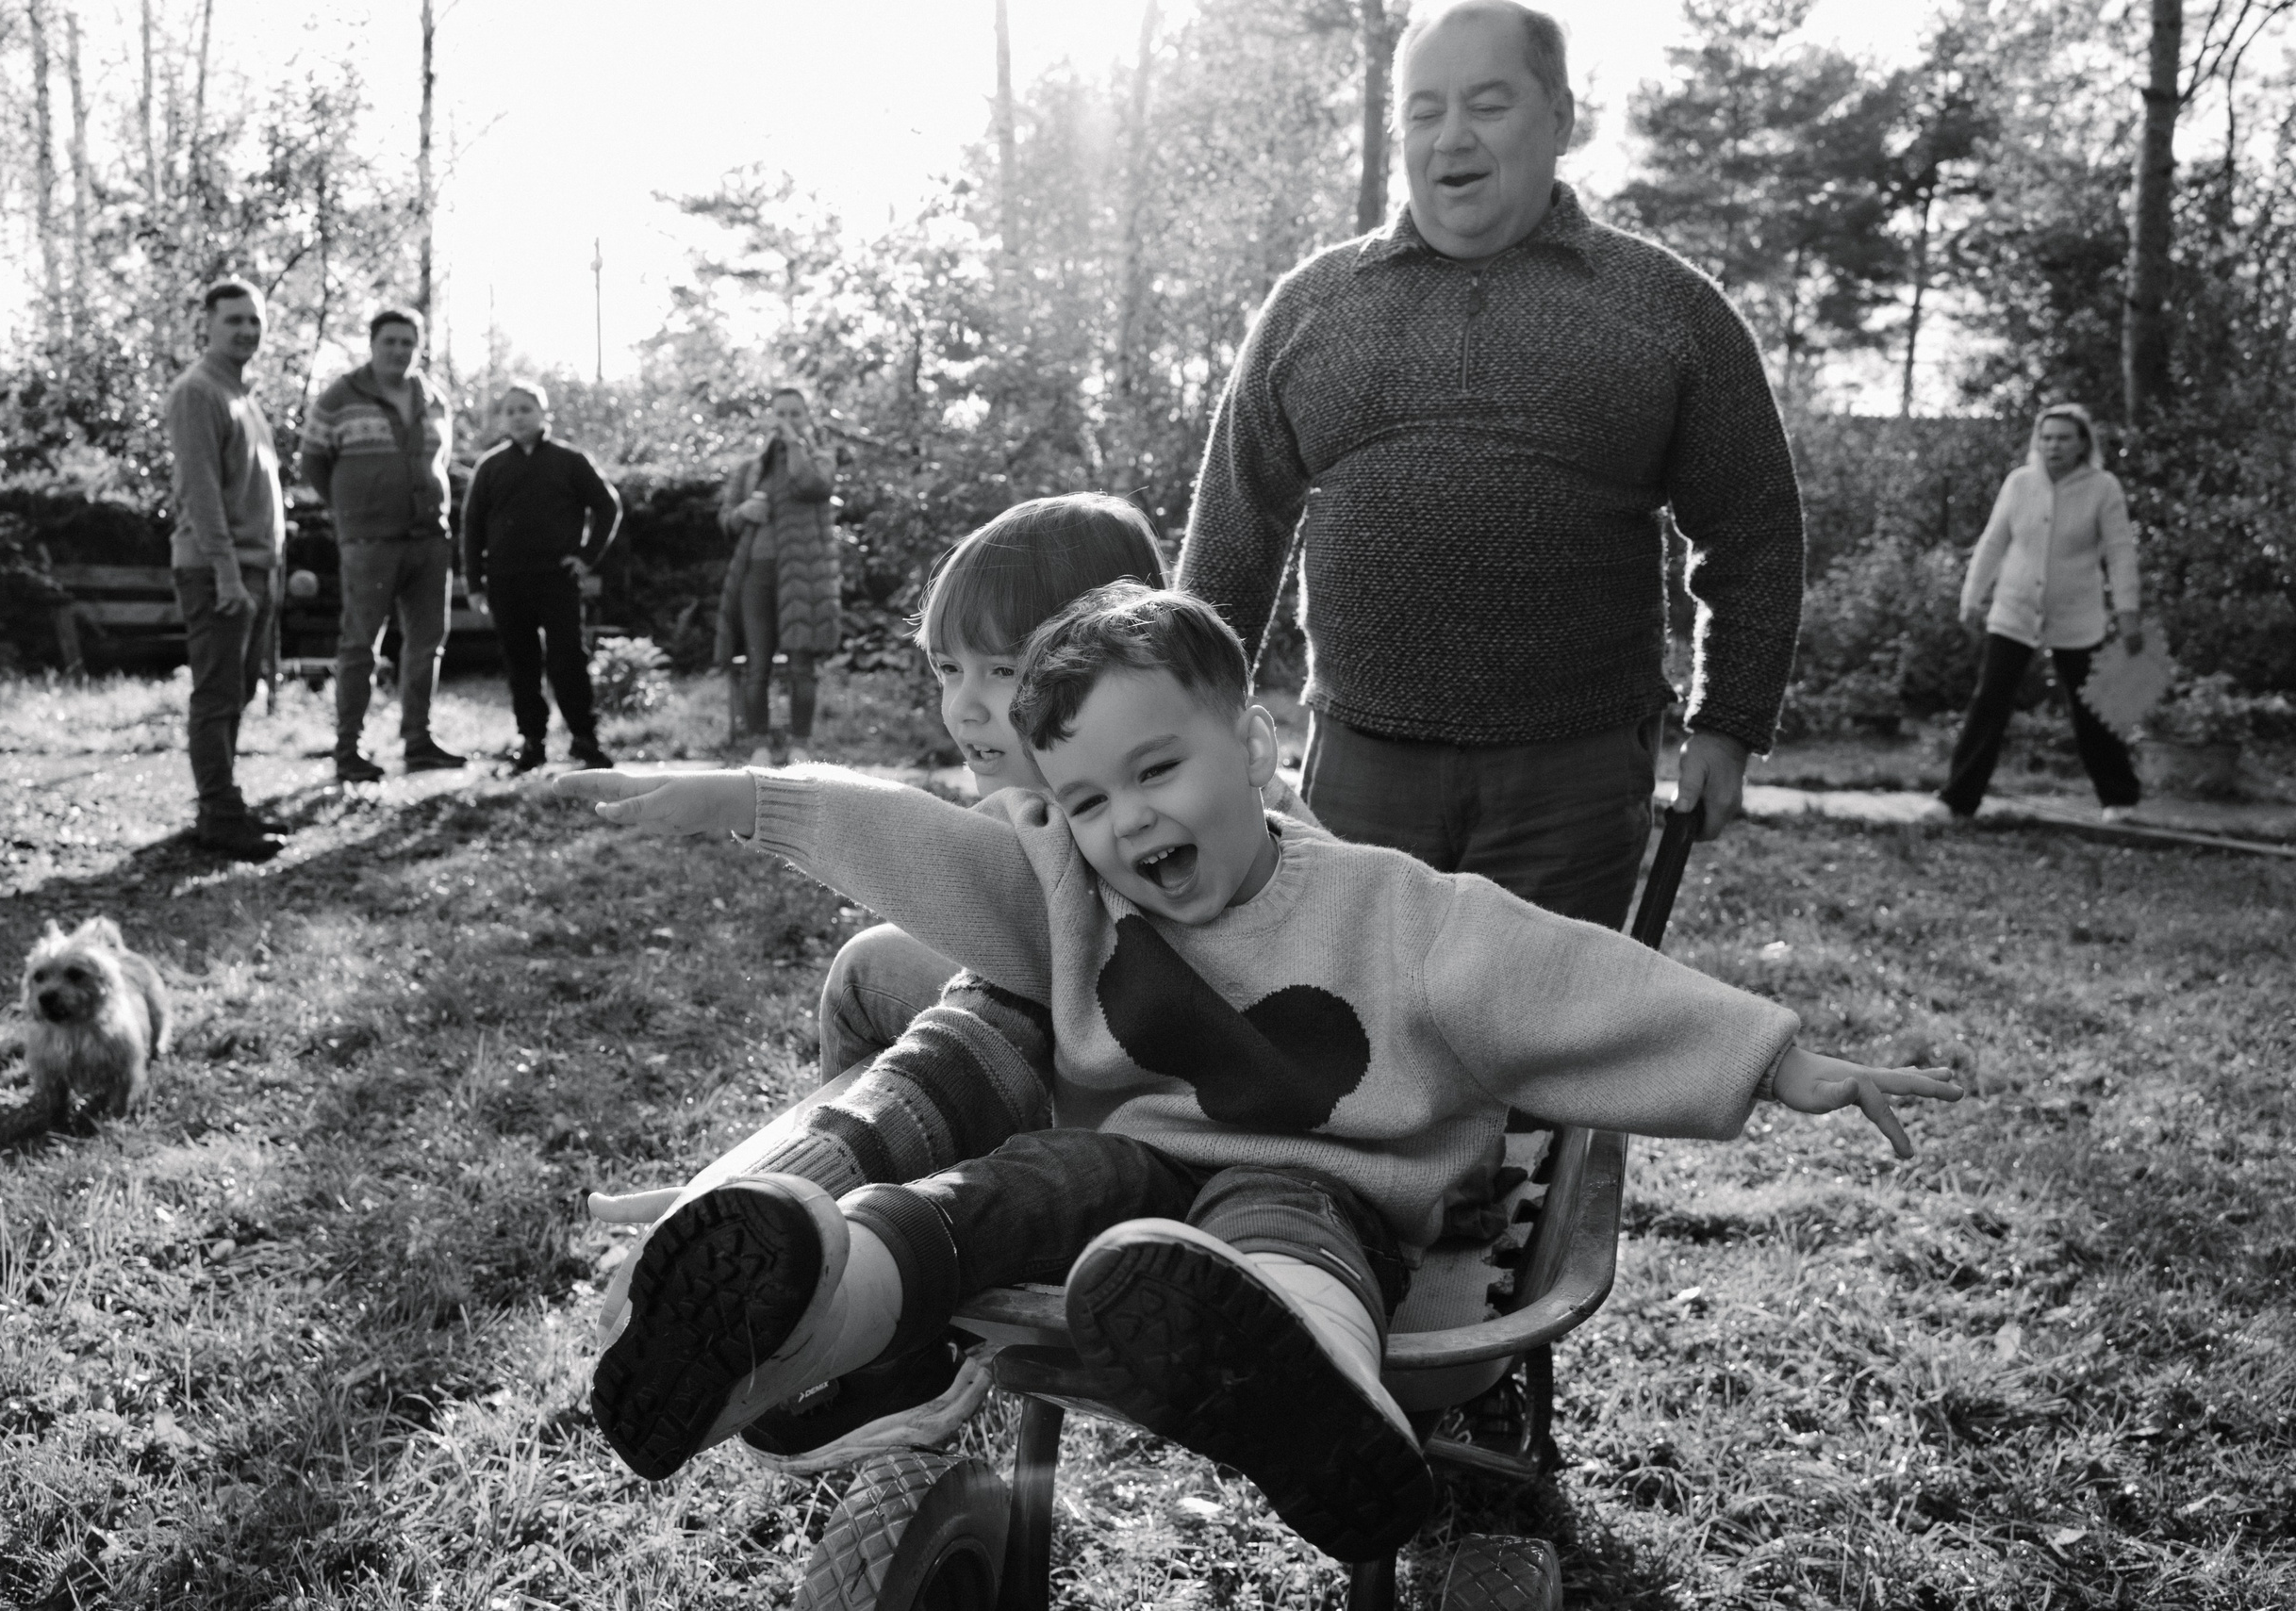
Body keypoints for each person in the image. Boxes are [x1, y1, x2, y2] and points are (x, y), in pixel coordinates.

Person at [559, 585, 1958, 1564]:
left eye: (1155, 768)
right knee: (1013, 1188)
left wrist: (1780, 1057)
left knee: (1289, 1249)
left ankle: (1311, 1399)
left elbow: (1572, 981)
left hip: (1324, 1185)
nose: (1127, 821)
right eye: (1089, 800)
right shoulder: (1088, 898)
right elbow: (943, 850)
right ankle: (814, 1303)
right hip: (1142, 1177)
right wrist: (756, 799)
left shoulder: (1396, 913)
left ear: (1256, 741)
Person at [1175, 0, 1805, 929]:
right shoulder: (1312, 305)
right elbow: (1237, 528)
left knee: (1537, 1048)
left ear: (1560, 116)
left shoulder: (1668, 309)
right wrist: (1189, 721)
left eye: (1487, 104)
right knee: (1357, 1032)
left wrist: (1729, 722)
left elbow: (1752, 532)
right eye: (1423, 110)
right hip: (1358, 765)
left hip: (1573, 779)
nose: (1451, 137)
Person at [815, 493, 1170, 1079]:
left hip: (1110, 1061)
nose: (962, 710)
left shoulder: (1088, 815)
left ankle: (862, 1154)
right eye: (948, 669)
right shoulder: (1162, 765)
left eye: (1003, 671)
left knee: (864, 969)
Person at [1930, 403, 2143, 824]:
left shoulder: (2103, 488)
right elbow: (1993, 542)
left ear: (2083, 443)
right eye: (2046, 438)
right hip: (2014, 610)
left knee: (2090, 708)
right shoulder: (2019, 483)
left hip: (2078, 616)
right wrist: (1971, 597)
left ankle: (2119, 799)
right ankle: (1956, 801)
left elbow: (2120, 553)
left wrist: (2128, 611)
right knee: (1989, 701)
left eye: (2064, 438)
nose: (2053, 446)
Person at [301, 305, 467, 781]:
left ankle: (419, 741)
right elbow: (313, 461)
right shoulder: (340, 396)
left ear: (418, 349)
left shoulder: (434, 399)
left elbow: (441, 461)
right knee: (359, 646)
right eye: (389, 341)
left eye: (407, 343)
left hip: (430, 539)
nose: (398, 351)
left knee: (426, 643)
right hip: (368, 542)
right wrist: (351, 509)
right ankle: (348, 748)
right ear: (372, 345)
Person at [166, 278, 289, 862]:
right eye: (234, 320)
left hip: (255, 570)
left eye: (254, 321)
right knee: (217, 694)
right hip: (220, 571)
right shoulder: (197, 391)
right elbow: (201, 492)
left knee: (239, 690)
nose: (246, 330)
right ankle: (220, 816)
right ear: (208, 326)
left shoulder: (244, 395)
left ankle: (222, 805)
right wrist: (227, 572)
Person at [462, 383, 622, 773]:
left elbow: (607, 506)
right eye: (510, 410)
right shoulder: (491, 466)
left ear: (543, 413)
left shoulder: (569, 460)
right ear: (503, 418)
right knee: (521, 661)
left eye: (526, 409)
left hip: (557, 579)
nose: (518, 416)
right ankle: (532, 741)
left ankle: (584, 738)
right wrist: (475, 583)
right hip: (506, 580)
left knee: (568, 657)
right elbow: (471, 527)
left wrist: (585, 558)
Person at [715, 386, 839, 766]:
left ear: (808, 418)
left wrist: (795, 443)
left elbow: (813, 486)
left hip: (802, 577)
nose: (786, 420)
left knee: (802, 665)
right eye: (779, 414)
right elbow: (726, 519)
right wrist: (744, 512)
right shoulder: (751, 468)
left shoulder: (821, 458)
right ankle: (760, 747)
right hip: (756, 575)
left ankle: (800, 746)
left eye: (795, 413)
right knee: (757, 665)